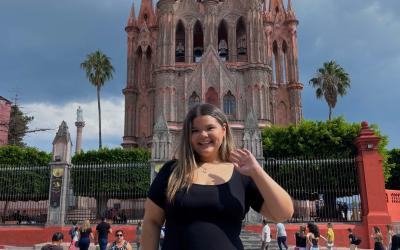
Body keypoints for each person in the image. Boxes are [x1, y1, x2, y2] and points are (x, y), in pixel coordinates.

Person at [141, 104, 294, 249]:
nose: (203, 135)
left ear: (224, 129)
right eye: (194, 130)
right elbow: (152, 222)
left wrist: (257, 171)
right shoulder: (172, 171)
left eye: (210, 128)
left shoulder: (241, 173)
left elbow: (283, 213)